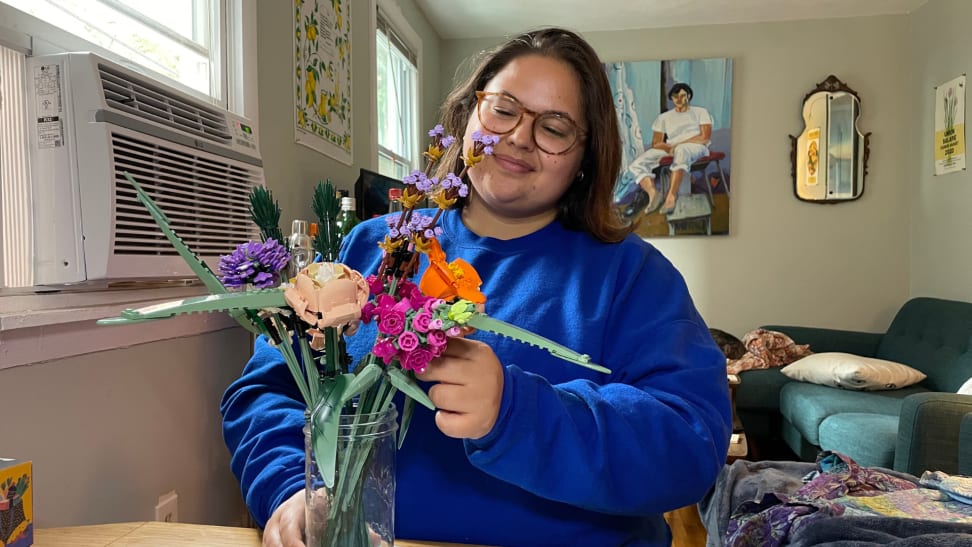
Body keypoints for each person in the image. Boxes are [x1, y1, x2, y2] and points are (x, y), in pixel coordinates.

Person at [221, 27, 731, 547]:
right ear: (468, 115)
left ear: (584, 158)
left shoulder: (634, 275)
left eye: (555, 127)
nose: (517, 137)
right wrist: (287, 489)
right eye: (503, 108)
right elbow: (264, 390)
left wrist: (518, 412)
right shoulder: (370, 248)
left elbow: (691, 442)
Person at [626, 83, 713, 216]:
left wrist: (678, 145)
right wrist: (669, 147)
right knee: (636, 165)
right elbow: (656, 143)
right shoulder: (664, 117)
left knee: (682, 150)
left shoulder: (701, 112)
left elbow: (705, 137)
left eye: (682, 95)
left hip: (696, 146)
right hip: (671, 147)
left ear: (688, 96)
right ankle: (653, 194)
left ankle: (671, 197)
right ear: (672, 98)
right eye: (675, 96)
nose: (679, 99)